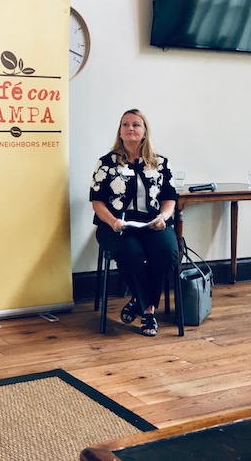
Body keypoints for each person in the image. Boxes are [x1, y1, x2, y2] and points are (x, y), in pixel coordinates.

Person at [89, 109, 179, 337]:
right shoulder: (106, 163)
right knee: (131, 252)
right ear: (120, 132)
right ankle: (148, 310)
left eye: (136, 124)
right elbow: (97, 202)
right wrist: (112, 222)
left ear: (145, 131)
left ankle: (139, 301)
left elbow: (170, 199)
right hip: (116, 226)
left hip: (152, 224)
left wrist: (164, 218)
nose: (130, 128)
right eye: (125, 124)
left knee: (167, 251)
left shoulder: (159, 163)